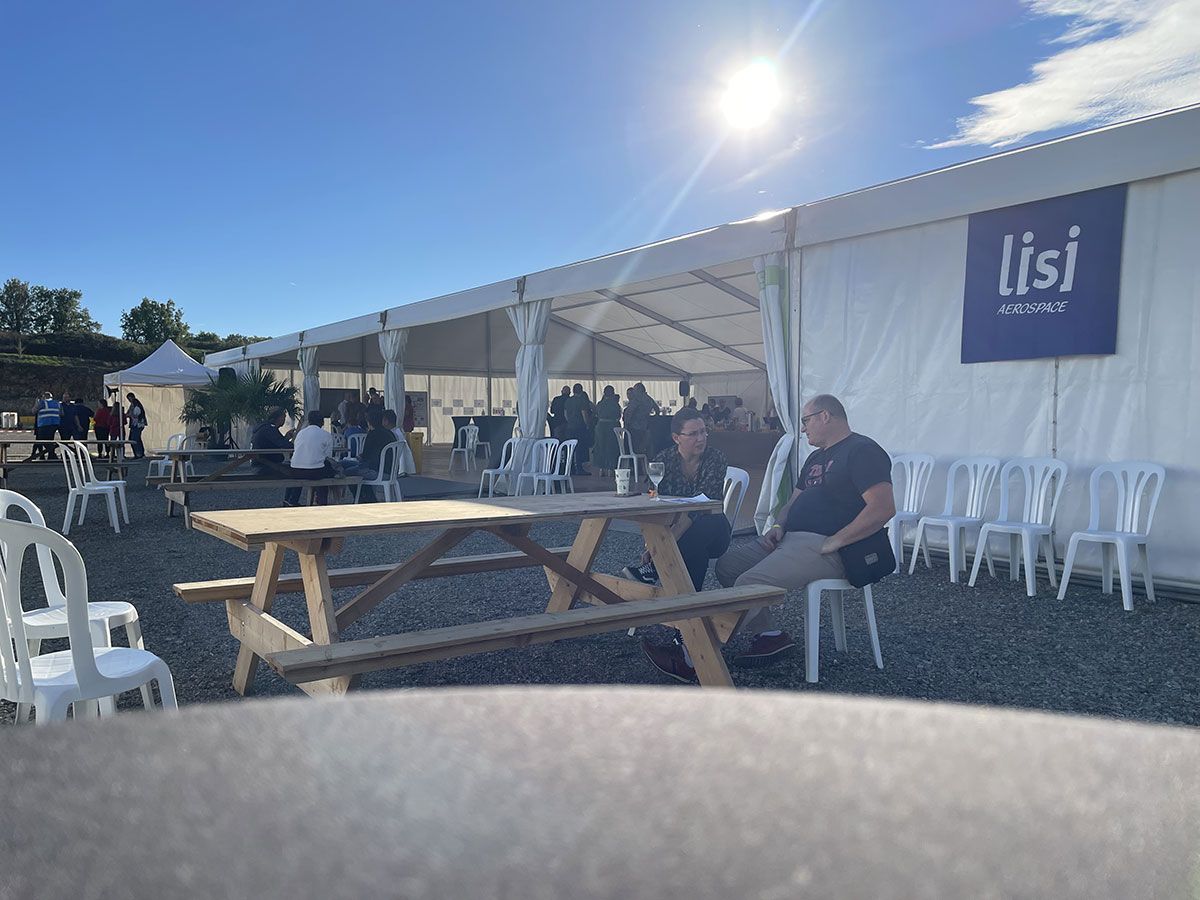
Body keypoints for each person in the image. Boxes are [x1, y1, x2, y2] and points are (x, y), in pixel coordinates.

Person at [709, 394, 895, 669]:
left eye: (806, 421)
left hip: (827, 546)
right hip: (790, 539)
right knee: (728, 566)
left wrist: (836, 541)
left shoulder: (862, 451)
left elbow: (882, 508)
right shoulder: (815, 457)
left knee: (750, 583)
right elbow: (793, 502)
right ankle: (769, 635)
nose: (804, 428)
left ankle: (698, 651)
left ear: (825, 416)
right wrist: (778, 525)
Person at [623, 406, 731, 603]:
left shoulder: (715, 458)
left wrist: (662, 547)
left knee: (707, 521)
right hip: (679, 533)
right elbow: (654, 503)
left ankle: (653, 569)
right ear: (676, 438)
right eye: (693, 434)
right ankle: (689, 613)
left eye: (703, 431)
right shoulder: (663, 461)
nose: (701, 438)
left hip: (713, 532)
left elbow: (702, 506)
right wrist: (654, 543)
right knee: (697, 553)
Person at [285, 411, 336, 507]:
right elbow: (328, 456)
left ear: (308, 421)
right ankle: (321, 500)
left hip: (296, 470)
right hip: (315, 472)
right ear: (322, 422)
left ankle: (292, 500)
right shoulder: (326, 435)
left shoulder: (301, 433)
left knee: (304, 465)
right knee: (326, 468)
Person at [357, 406, 393, 500]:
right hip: (391, 471)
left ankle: (364, 498)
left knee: (348, 471)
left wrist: (359, 457)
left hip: (376, 471)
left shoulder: (372, 434)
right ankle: (367, 497)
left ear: (369, 422)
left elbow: (365, 456)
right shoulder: (390, 433)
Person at [250, 407, 294, 473]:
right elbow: (282, 444)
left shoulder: (266, 427)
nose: (284, 420)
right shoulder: (269, 429)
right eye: (284, 417)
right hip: (264, 465)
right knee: (292, 470)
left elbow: (277, 442)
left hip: (263, 463)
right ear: (279, 418)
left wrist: (286, 438)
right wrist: (297, 446)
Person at [591, 385, 622, 477]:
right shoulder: (615, 404)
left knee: (600, 447)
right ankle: (611, 469)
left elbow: (596, 413)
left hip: (600, 426)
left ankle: (601, 469)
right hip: (612, 426)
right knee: (611, 447)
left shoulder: (600, 403)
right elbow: (618, 415)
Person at [564, 384, 593, 474]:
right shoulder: (582, 400)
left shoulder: (568, 400)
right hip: (580, 427)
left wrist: (570, 421)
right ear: (581, 390)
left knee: (571, 448)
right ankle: (579, 469)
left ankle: (571, 468)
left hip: (570, 427)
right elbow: (584, 414)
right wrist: (587, 424)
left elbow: (565, 414)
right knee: (579, 448)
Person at [30, 391, 62, 460]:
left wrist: (36, 403)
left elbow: (33, 411)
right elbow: (62, 413)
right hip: (55, 424)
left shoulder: (42, 403)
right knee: (50, 440)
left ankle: (52, 455)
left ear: (44, 397)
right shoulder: (57, 403)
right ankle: (51, 456)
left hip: (44, 424)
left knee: (41, 440)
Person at [125, 392, 148, 458]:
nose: (129, 400)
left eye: (129, 399)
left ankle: (138, 454)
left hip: (137, 424)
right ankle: (140, 453)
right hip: (137, 424)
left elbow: (135, 413)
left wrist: (129, 415)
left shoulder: (135, 404)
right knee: (136, 439)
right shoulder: (135, 403)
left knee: (134, 439)